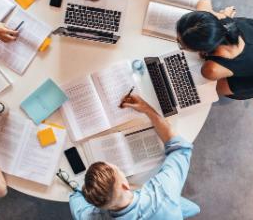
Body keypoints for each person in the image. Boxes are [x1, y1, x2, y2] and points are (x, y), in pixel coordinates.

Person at [67, 94, 200, 219]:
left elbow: (76, 202)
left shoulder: (91, 217)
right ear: (125, 186)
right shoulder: (163, 190)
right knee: (191, 207)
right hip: (167, 209)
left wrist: (82, 190)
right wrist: (147, 109)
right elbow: (181, 148)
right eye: (118, 170)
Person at [176, 0, 253, 99]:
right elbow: (204, 0)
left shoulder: (210, 69)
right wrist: (219, 14)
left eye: (181, 44)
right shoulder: (220, 19)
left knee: (208, 91)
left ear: (202, 49)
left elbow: (211, 87)